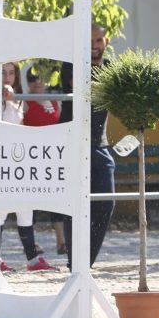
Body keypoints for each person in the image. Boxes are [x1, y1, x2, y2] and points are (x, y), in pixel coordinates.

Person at [59, 23, 116, 268]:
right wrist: (113, 87)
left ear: (106, 42)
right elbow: (81, 85)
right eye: (90, 41)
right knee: (75, 207)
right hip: (72, 145)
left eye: (98, 41)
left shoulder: (112, 68)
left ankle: (85, 265)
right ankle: (75, 265)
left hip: (100, 146)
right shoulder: (71, 64)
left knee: (106, 203)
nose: (94, 46)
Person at [1, 61, 54, 272]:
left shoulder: (19, 102)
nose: (7, 77)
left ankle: (32, 258)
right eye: (3, 72)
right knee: (2, 211)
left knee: (25, 208)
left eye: (11, 73)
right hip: (1, 159)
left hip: (19, 159)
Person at [23, 63, 67, 255]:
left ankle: (61, 242)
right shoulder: (23, 100)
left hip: (52, 155)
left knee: (56, 198)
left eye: (39, 77)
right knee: (29, 202)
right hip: (30, 156)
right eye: (32, 78)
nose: (36, 82)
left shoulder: (56, 100)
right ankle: (32, 244)